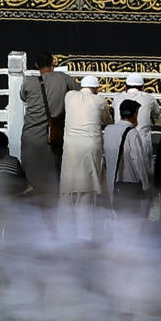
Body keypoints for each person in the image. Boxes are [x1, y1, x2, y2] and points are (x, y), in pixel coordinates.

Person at [19, 52, 77, 206]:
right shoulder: (63, 79)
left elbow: (23, 97)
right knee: (52, 183)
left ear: (37, 66)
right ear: (53, 63)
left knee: (31, 184)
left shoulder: (29, 82)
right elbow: (78, 91)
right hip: (54, 137)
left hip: (31, 139)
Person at [59, 75, 110, 243]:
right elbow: (107, 120)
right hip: (90, 150)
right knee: (87, 191)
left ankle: (65, 236)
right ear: (96, 89)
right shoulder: (100, 100)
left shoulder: (69, 96)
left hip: (71, 149)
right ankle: (84, 238)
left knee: (68, 189)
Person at [104, 99, 151, 218]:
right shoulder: (132, 133)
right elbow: (138, 161)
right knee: (130, 221)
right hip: (129, 185)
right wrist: (146, 186)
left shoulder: (108, 130)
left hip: (111, 185)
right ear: (135, 115)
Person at [111, 73, 161, 172]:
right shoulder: (149, 98)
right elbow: (157, 114)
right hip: (142, 142)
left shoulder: (117, 98)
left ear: (125, 87)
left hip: (120, 142)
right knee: (143, 174)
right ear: (143, 88)